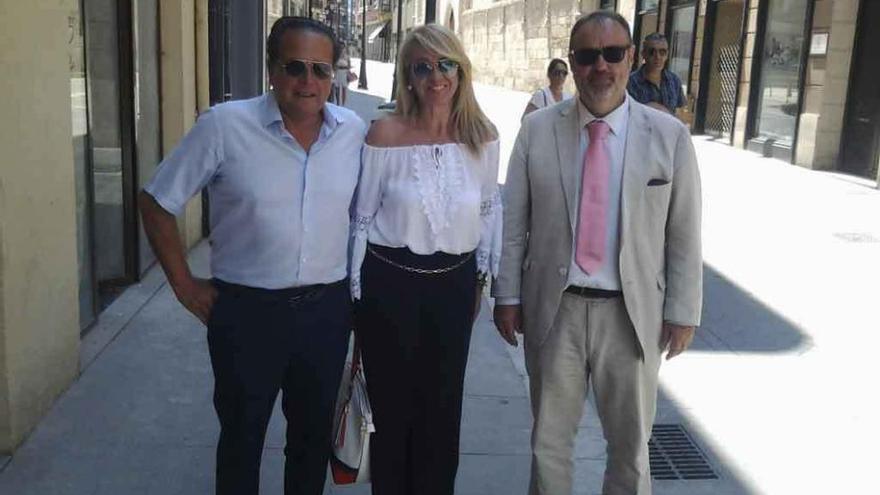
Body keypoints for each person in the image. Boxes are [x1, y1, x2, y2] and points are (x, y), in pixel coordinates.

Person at [138, 17, 366, 495]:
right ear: (271, 70)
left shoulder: (352, 133)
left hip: (325, 314)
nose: (308, 83)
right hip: (247, 314)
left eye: (321, 70)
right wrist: (184, 285)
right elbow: (157, 201)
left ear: (335, 76)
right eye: (295, 67)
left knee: (309, 443)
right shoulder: (225, 127)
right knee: (242, 440)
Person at [493, 12, 702, 495]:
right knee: (548, 446)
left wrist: (683, 310)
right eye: (587, 56)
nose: (600, 67)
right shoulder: (538, 131)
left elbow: (684, 232)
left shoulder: (668, 137)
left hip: (631, 317)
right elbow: (513, 223)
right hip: (555, 310)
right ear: (573, 62)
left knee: (630, 450)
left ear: (631, 58)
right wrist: (507, 295)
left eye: (612, 54)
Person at [351, 23, 501, 495]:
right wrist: (353, 297)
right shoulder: (383, 134)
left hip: (453, 288)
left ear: (461, 71)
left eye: (445, 64)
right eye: (422, 67)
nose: (436, 76)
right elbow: (361, 218)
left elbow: (486, 212)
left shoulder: (482, 136)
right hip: (388, 285)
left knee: (442, 409)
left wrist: (479, 282)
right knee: (392, 410)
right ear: (408, 77)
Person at [627, 32, 687, 116]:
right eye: (652, 52)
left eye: (662, 52)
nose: (657, 57)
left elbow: (680, 112)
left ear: (667, 55)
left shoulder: (674, 81)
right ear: (643, 54)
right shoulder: (630, 82)